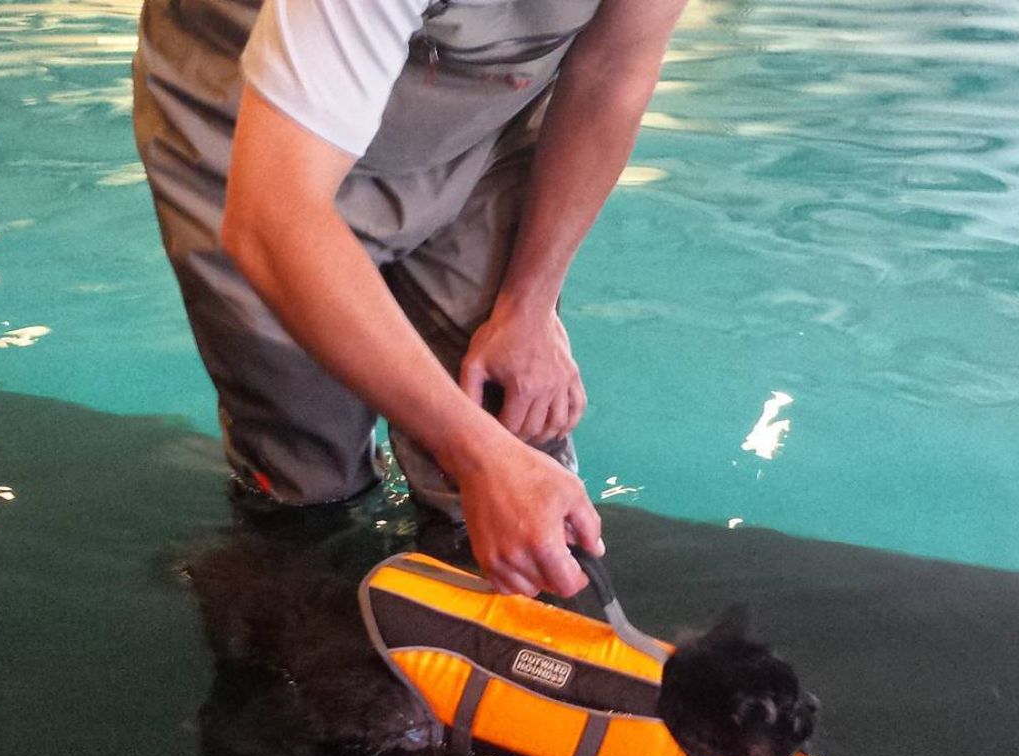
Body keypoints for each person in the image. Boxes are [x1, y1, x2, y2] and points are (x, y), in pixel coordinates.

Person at [132, 0, 688, 597]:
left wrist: (530, 305)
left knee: (517, 428)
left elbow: (611, 71)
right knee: (311, 490)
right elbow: (271, 219)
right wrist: (477, 456)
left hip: (476, 119)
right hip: (244, 114)